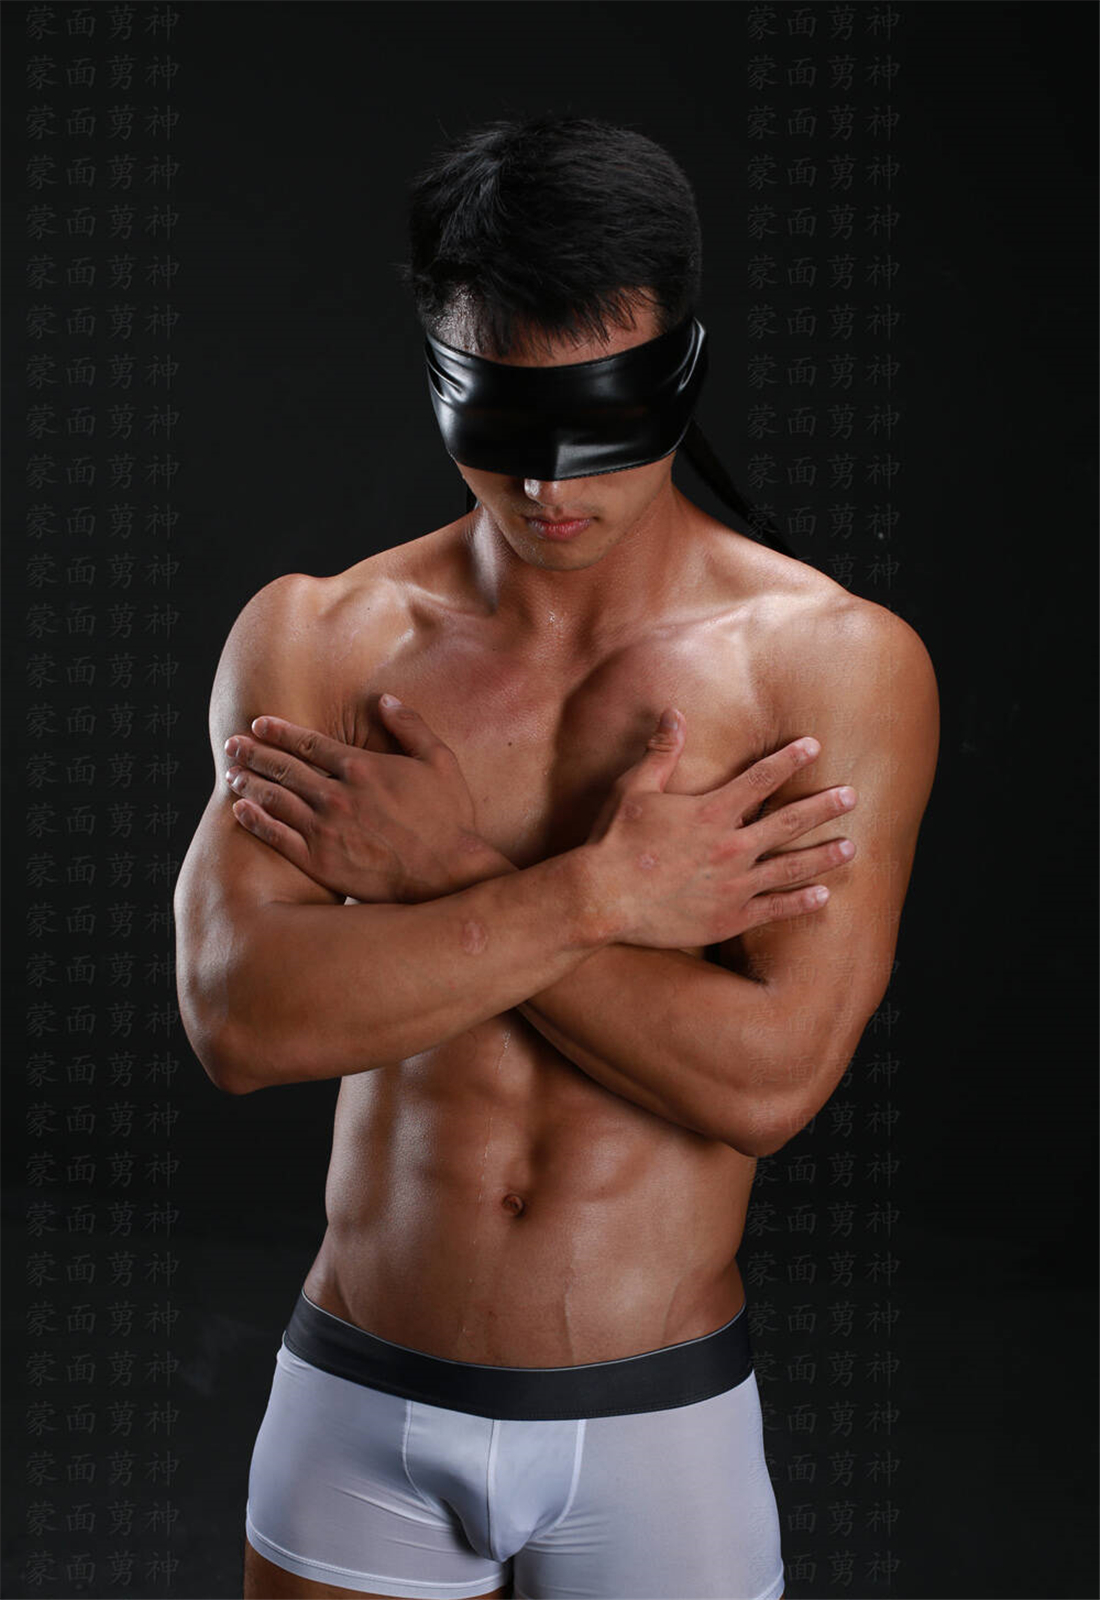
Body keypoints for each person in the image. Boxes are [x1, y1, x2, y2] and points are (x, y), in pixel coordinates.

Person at [174, 114, 939, 1600]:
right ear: (436, 368)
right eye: (505, 422)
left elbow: (768, 1084)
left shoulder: (827, 665)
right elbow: (239, 1021)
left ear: (683, 366)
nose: (548, 486)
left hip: (654, 1426)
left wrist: (446, 865)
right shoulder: (323, 636)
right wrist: (600, 893)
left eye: (602, 416)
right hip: (360, 1395)